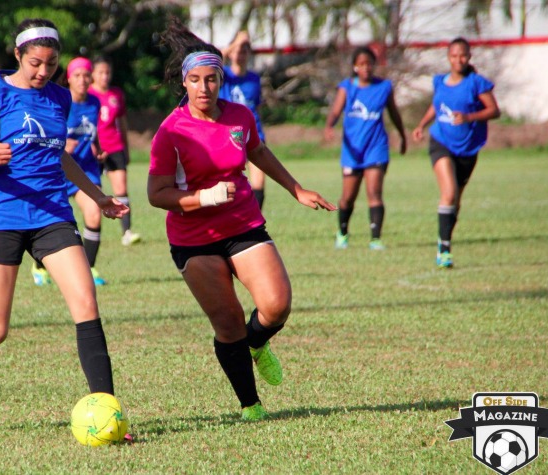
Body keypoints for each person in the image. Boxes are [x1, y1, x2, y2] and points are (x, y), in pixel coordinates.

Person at [148, 17, 336, 421]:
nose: (204, 88)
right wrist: (204, 197)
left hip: (243, 225)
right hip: (194, 237)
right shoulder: (171, 132)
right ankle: (250, 404)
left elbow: (260, 152)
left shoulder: (239, 116)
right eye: (195, 80)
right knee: (229, 321)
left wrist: (297, 188)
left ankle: (258, 343)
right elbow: (156, 194)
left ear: (221, 80)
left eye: (211, 79)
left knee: (277, 306)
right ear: (184, 83)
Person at [0, 19, 128, 409]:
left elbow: (59, 155)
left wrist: (98, 196)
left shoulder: (60, 98)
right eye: (35, 62)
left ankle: (107, 409)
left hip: (51, 213)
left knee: (87, 306)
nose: (43, 71)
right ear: (18, 55)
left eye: (52, 64)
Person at [412, 37, 500, 268]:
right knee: (448, 192)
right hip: (441, 141)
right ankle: (444, 249)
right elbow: (437, 104)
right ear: (448, 58)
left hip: (468, 149)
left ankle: (445, 239)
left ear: (469, 57)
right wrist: (422, 124)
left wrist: (469, 117)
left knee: (456, 202)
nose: (458, 59)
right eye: (454, 55)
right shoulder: (440, 81)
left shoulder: (477, 83)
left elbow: (494, 110)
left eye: (463, 55)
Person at [31, 56, 110, 287]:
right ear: (69, 78)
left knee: (95, 213)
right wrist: (63, 144)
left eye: (87, 75)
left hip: (86, 170)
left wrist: (97, 147)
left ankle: (90, 267)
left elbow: (92, 132)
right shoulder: (59, 101)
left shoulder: (95, 102)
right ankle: (39, 266)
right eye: (77, 75)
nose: (83, 80)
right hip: (57, 170)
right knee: (49, 221)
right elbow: (44, 133)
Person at [324, 46, 407, 251]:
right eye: (361, 64)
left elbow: (394, 113)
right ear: (354, 67)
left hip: (376, 148)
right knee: (348, 197)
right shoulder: (347, 87)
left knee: (374, 192)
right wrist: (329, 125)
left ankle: (375, 239)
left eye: (369, 64)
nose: (366, 68)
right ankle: (343, 233)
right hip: (352, 150)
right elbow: (335, 110)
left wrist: (402, 134)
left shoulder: (384, 87)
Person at [89, 57, 142, 246]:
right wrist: (92, 145)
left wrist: (126, 147)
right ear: (93, 74)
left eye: (107, 72)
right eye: (101, 72)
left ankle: (126, 232)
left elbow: (122, 122)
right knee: (95, 194)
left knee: (121, 190)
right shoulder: (87, 95)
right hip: (93, 150)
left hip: (114, 147)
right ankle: (92, 230)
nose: (104, 76)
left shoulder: (116, 94)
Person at [219, 31, 268, 209]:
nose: (240, 54)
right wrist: (237, 42)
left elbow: (257, 106)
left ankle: (253, 222)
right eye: (237, 50)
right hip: (229, 133)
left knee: (259, 183)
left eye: (244, 50)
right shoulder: (224, 75)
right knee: (231, 183)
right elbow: (216, 58)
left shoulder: (255, 79)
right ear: (231, 52)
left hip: (253, 132)